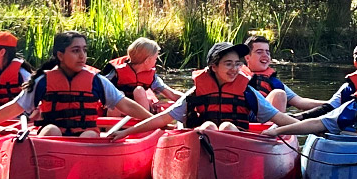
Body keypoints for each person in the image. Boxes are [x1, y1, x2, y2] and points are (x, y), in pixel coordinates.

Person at [107, 42, 303, 139]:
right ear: (214, 67)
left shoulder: (246, 92)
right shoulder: (195, 93)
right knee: (208, 126)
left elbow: (279, 118)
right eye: (228, 64)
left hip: (239, 146)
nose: (235, 69)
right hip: (201, 144)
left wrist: (312, 129)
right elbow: (163, 119)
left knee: (227, 127)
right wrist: (127, 132)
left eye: (237, 64)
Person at [0, 30, 156, 137]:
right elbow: (15, 107)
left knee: (89, 135)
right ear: (60, 55)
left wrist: (156, 121)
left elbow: (126, 105)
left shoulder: (97, 81)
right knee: (51, 130)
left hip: (85, 136)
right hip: (53, 140)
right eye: (75, 51)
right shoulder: (43, 81)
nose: (82, 56)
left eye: (84, 50)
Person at [241, 35, 324, 112]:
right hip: (242, 118)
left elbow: (300, 102)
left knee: (279, 94)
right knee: (279, 94)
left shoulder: (274, 82)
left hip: (265, 121)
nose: (265, 55)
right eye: (259, 52)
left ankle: (278, 127)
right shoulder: (236, 75)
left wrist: (332, 104)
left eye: (267, 52)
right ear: (247, 57)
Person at [100, 37, 178, 111]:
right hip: (119, 110)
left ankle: (146, 118)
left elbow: (171, 94)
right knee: (119, 94)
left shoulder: (152, 77)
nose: (156, 62)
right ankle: (113, 122)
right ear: (147, 61)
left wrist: (188, 98)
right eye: (155, 59)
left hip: (139, 111)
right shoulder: (116, 72)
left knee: (139, 90)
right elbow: (100, 88)